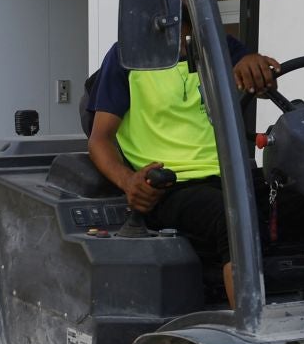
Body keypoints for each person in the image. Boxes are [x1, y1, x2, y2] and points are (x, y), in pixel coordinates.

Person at [87, 17, 281, 304]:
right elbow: (99, 139)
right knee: (234, 217)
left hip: (232, 178)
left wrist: (255, 67)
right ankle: (252, 337)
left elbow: (252, 75)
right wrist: (129, 181)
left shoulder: (221, 49)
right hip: (171, 187)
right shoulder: (128, 56)